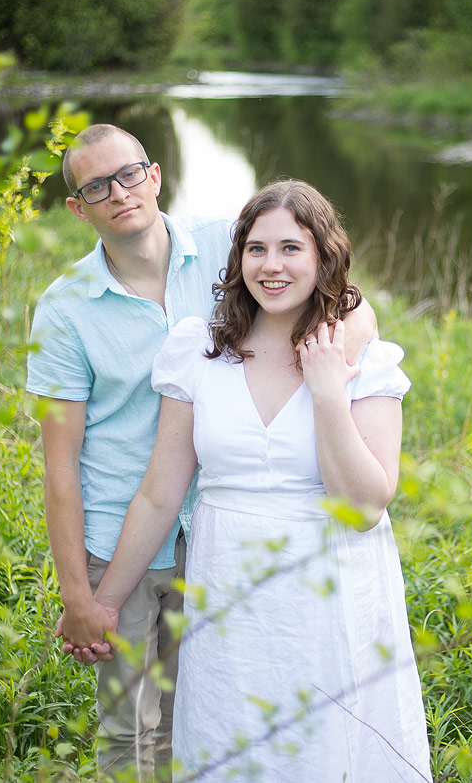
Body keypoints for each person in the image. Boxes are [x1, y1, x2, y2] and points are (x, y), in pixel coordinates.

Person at [27, 127, 377, 779]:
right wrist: (80, 593)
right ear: (77, 208)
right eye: (96, 186)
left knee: (207, 716)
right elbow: (58, 466)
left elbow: (347, 300)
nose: (119, 193)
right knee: (129, 729)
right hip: (123, 536)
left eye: (129, 174)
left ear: (155, 174)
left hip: (216, 537)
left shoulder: (229, 246)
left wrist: (334, 362)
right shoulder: (63, 310)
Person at [78, 180, 431, 781]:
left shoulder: (360, 359)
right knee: (232, 743)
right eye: (256, 248)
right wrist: (103, 601)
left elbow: (367, 504)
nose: (272, 266)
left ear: (323, 257)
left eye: (291, 249)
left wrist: (326, 393)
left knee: (328, 746)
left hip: (329, 590)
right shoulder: (201, 352)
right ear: (237, 258)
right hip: (230, 594)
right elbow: (160, 493)